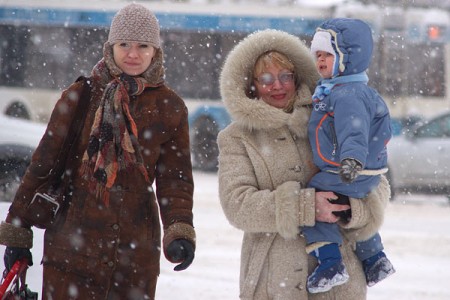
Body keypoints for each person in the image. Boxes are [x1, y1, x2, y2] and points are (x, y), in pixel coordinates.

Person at [0, 3, 195, 299]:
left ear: (155, 50)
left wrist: (179, 229)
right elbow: (44, 165)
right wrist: (18, 231)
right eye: (124, 44)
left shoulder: (170, 107)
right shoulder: (81, 96)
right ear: (110, 47)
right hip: (71, 248)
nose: (133, 53)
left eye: (143, 45)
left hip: (134, 257)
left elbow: (175, 179)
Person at [218, 28, 391, 300]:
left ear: (297, 77)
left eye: (285, 76)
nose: (277, 85)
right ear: (251, 83)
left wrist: (349, 209)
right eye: (266, 78)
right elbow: (237, 205)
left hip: (341, 287)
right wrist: (305, 207)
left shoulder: (330, 114)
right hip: (274, 282)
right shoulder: (236, 138)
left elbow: (377, 184)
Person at [305, 18, 396, 293]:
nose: (320, 61)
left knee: (314, 199)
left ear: (348, 58)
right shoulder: (353, 89)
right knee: (351, 206)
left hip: (345, 169)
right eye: (317, 55)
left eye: (328, 55)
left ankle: (330, 263)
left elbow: (353, 131)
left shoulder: (347, 95)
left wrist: (351, 160)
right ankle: (375, 258)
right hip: (366, 172)